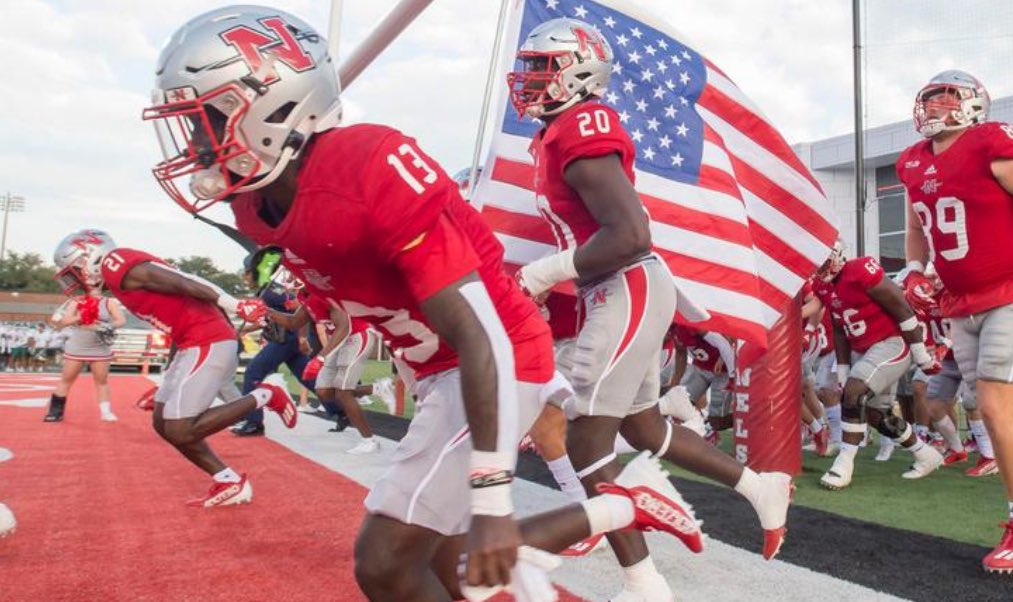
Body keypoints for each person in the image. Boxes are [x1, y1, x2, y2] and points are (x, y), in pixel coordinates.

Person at [142, 7, 704, 598]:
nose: (198, 142)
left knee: (385, 562)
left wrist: (492, 497)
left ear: (272, 107)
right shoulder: (255, 204)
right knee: (451, 571)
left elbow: (480, 333)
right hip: (442, 370)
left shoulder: (368, 164)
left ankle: (615, 506)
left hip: (494, 355)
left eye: (207, 118)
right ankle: (619, 507)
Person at [507, 17, 791, 598]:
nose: (529, 78)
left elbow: (632, 233)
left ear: (580, 72)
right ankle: (759, 488)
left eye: (543, 66)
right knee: (638, 425)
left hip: (626, 283)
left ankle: (640, 575)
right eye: (529, 66)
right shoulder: (556, 132)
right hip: (617, 289)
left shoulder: (581, 125)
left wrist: (544, 271)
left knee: (586, 437)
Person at [52, 229, 297, 507]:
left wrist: (236, 305)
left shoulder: (115, 262)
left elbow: (185, 282)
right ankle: (228, 480)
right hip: (190, 342)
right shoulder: (117, 277)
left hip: (207, 338)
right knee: (163, 423)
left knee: (181, 428)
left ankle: (268, 393)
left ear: (91, 257)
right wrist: (168, 380)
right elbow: (172, 319)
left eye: (74, 270)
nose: (72, 278)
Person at [898, 69, 1013, 573]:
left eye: (948, 98)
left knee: (993, 402)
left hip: (1009, 289)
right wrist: (916, 271)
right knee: (983, 404)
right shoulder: (912, 161)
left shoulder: (991, 139)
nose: (937, 108)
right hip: (960, 304)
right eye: (931, 99)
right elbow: (916, 227)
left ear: (973, 105)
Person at [812, 244, 944, 490]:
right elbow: (839, 327)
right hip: (864, 351)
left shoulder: (860, 269)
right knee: (877, 416)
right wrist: (841, 370)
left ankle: (844, 462)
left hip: (892, 344)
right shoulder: (823, 285)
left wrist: (920, 354)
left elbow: (902, 308)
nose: (817, 268)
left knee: (854, 390)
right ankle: (926, 455)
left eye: (820, 261)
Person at [230, 256, 318, 437]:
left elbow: (298, 307)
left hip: (286, 339)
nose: (245, 277)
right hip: (286, 338)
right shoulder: (266, 291)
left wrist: (302, 338)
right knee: (307, 377)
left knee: (253, 372)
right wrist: (245, 329)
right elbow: (268, 317)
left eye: (246, 273)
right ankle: (341, 409)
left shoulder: (271, 291)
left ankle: (254, 422)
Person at [42, 289, 126, 422]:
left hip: (99, 345)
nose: (93, 285)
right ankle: (55, 411)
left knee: (101, 381)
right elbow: (65, 321)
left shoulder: (109, 302)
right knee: (67, 379)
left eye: (97, 282)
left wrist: (108, 326)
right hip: (77, 345)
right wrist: (81, 316)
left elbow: (121, 320)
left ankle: (106, 412)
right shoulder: (77, 300)